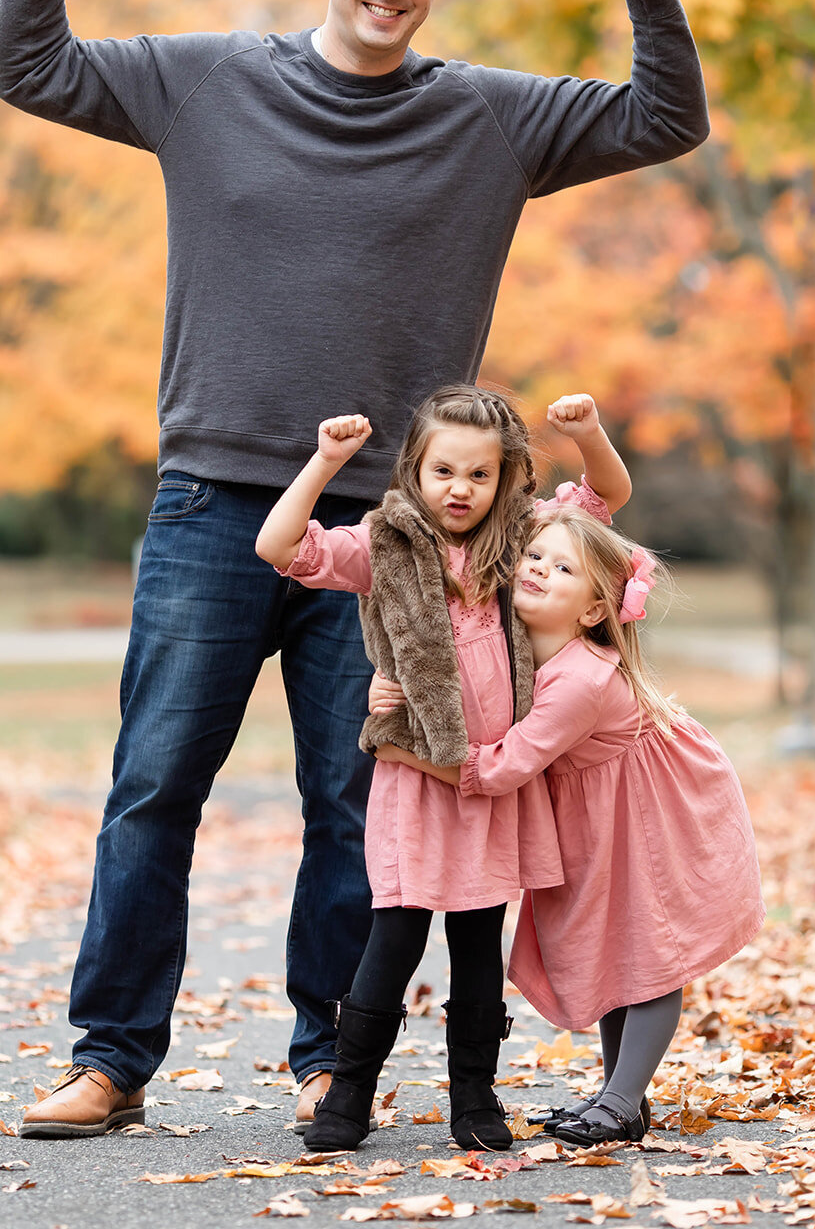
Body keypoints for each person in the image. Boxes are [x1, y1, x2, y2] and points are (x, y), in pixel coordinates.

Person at [0, 0, 710, 1140]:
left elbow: (665, 118)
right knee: (154, 785)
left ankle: (330, 1056)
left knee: (355, 799)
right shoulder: (205, 81)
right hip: (211, 501)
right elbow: (29, 67)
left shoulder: (488, 116)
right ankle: (111, 1058)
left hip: (398, 534)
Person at [255, 386, 632, 1151]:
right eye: (443, 471)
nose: (460, 489)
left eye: (479, 475)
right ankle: (347, 1093)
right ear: (414, 470)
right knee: (393, 935)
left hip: (496, 784)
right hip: (420, 781)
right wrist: (324, 463)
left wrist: (589, 433)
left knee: (476, 941)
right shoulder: (383, 545)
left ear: (504, 479)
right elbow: (280, 547)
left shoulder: (522, 543)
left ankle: (474, 1097)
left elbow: (607, 495)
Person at [373, 506, 765, 1147]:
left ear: (593, 611)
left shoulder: (581, 679)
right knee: (614, 945)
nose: (537, 569)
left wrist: (403, 752)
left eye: (562, 568)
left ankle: (621, 1100)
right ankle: (620, 1097)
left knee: (650, 951)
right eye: (534, 556)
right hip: (597, 811)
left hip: (650, 811)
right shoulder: (514, 646)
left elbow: (501, 768)